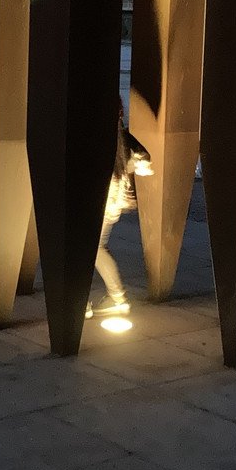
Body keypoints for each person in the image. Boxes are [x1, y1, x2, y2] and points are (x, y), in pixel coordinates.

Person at [86, 98, 153, 319]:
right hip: (113, 199)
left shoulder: (96, 137)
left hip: (102, 200)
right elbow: (143, 159)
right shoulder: (121, 136)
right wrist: (131, 166)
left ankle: (114, 298)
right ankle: (114, 298)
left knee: (91, 249)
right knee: (95, 248)